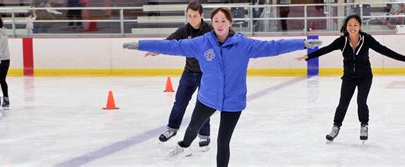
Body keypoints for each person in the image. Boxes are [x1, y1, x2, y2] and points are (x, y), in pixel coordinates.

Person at [124, 7, 322, 167]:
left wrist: (302, 43)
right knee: (193, 126)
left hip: (233, 101)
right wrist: (142, 44)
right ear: (212, 23)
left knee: (222, 142)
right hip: (208, 97)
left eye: (223, 21)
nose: (219, 24)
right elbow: (173, 46)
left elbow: (272, 46)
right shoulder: (202, 43)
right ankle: (184, 145)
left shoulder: (243, 44)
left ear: (230, 23)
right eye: (216, 21)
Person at [296, 15, 405, 143]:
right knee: (343, 104)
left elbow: (383, 50)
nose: (352, 27)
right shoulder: (341, 41)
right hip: (348, 78)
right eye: (350, 25)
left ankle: (364, 126)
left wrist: (404, 58)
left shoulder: (367, 39)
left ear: (360, 26)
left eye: (355, 25)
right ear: (346, 27)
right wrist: (308, 57)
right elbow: (325, 50)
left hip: (365, 77)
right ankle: (336, 127)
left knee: (361, 102)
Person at [146, 1, 214, 150]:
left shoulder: (210, 30)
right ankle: (172, 129)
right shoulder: (184, 30)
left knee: (203, 106)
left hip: (206, 75)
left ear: (201, 15)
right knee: (180, 102)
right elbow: (169, 42)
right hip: (189, 72)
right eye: (189, 16)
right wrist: (156, 49)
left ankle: (204, 135)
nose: (191, 19)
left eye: (195, 16)